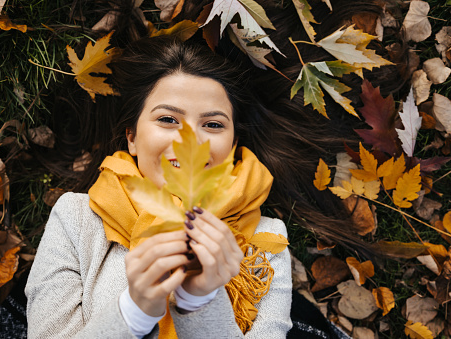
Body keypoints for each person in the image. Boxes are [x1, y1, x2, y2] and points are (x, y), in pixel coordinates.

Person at [25, 37, 293, 338]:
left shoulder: (265, 243)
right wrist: (134, 311)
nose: (191, 141)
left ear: (232, 144)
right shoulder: (76, 219)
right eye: (168, 119)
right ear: (132, 137)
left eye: (213, 125)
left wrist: (199, 302)